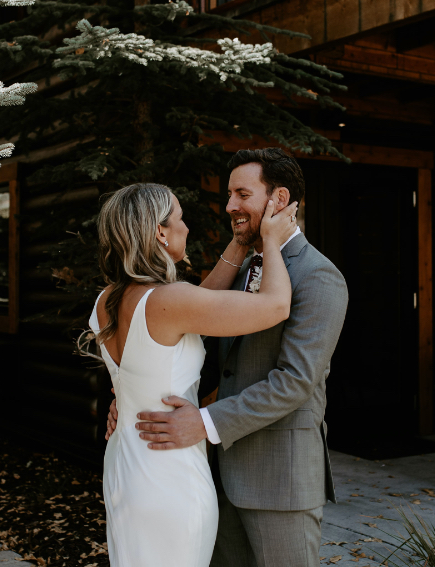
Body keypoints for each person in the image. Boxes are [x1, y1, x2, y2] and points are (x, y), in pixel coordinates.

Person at [107, 148, 349, 567]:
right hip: (214, 475)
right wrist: (136, 395)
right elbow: (192, 351)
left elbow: (295, 381)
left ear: (279, 199)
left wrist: (203, 423)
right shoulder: (240, 268)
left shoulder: (318, 275)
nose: (230, 206)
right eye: (229, 195)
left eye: (242, 194)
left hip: (279, 480)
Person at [89, 181, 299, 567]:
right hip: (169, 474)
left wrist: (240, 242)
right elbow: (276, 306)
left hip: (124, 466)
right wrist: (271, 239)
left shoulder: (107, 299)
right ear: (160, 232)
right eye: (180, 218)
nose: (186, 227)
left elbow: (197, 306)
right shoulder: (170, 300)